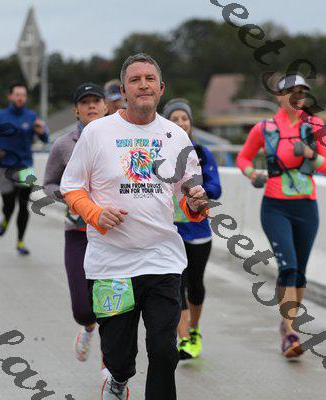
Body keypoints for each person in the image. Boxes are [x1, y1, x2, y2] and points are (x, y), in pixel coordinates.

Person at [60, 53, 209, 400]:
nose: (143, 85)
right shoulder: (97, 133)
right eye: (135, 80)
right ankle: (118, 381)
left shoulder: (176, 136)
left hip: (162, 260)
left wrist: (196, 205)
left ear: (161, 88)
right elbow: (72, 186)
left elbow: (188, 196)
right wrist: (95, 213)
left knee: (164, 351)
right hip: (111, 264)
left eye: (149, 79)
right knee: (119, 357)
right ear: (124, 91)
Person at [236, 74, 326, 358]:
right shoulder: (265, 128)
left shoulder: (315, 126)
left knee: (299, 272)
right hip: (275, 207)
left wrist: (310, 153)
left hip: (306, 206)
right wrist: (252, 174)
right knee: (288, 267)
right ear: (279, 97)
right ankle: (291, 333)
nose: (297, 96)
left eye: (302, 91)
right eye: (291, 91)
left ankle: (287, 322)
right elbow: (243, 158)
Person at [43, 83, 107, 362]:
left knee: (112, 307)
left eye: (96, 100)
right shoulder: (64, 145)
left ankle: (111, 370)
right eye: (85, 102)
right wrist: (68, 196)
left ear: (106, 107)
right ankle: (88, 326)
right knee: (82, 308)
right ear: (76, 110)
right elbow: (48, 184)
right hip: (78, 232)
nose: (91, 106)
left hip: (110, 233)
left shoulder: (118, 139)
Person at [163, 98, 222, 360]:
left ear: (190, 122)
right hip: (169, 232)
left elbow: (216, 188)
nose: (180, 123)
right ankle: (185, 338)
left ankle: (194, 330)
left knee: (195, 285)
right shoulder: (159, 153)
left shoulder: (201, 153)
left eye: (184, 118)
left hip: (198, 232)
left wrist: (198, 192)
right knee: (175, 285)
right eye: (174, 119)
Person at [0, 82, 49, 255]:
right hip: (4, 167)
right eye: (17, 94)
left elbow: (45, 138)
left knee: (24, 204)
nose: (20, 98)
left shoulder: (32, 116)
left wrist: (41, 132)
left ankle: (20, 241)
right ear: (10, 96)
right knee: (9, 205)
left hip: (25, 166)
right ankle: (5, 218)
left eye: (23, 95)